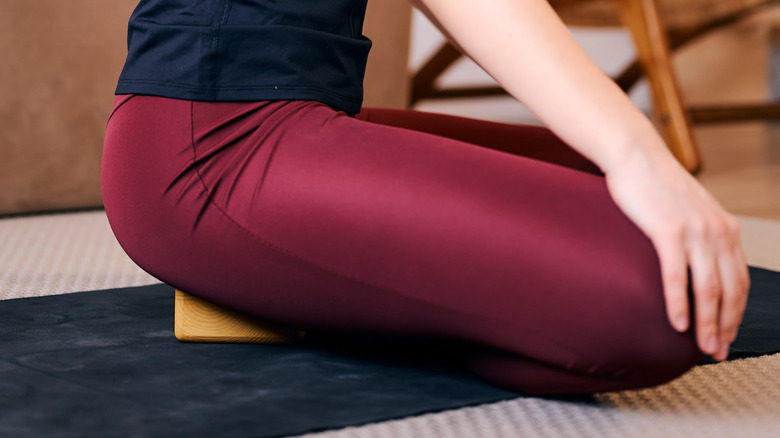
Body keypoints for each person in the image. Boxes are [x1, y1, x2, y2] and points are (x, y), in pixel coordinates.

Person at [101, 0, 750, 395]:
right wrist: (639, 151)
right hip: (208, 148)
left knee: (598, 181)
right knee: (664, 301)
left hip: (310, 120)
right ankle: (339, 294)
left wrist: (630, 159)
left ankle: (313, 291)